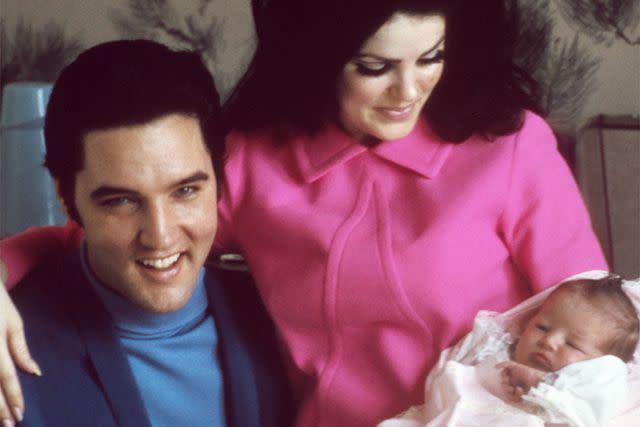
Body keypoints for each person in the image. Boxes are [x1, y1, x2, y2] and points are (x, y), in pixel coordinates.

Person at [0, 1, 608, 426]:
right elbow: (109, 233)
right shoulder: (251, 163)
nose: (409, 91)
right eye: (375, 67)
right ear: (320, 58)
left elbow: (598, 326)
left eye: (431, 56)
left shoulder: (510, 147)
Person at [2, 39, 292, 427]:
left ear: (220, 182)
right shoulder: (12, 344)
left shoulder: (280, 314)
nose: (160, 235)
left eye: (186, 191)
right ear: (66, 197)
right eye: (121, 201)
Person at [378, 274, 640, 426]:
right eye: (542, 327)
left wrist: (540, 385)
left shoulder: (601, 378)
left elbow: (581, 417)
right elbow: (450, 376)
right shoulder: (496, 351)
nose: (549, 341)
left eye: (572, 344)